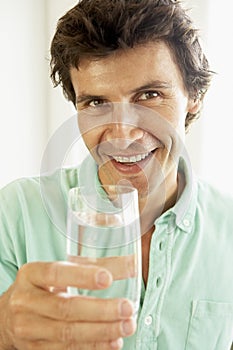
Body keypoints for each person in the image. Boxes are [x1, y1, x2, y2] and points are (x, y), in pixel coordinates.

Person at [0, 0, 233, 349]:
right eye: (96, 103)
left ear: (194, 95)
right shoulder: (14, 213)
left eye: (150, 95)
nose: (123, 135)